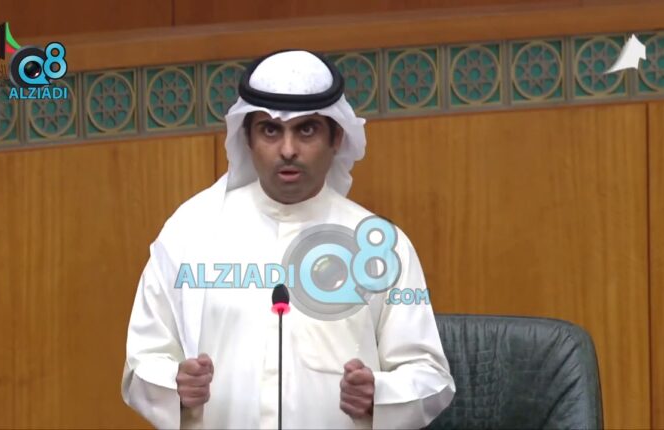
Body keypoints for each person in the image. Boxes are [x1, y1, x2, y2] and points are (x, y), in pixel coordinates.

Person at [121, 49, 455, 429]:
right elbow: (143, 360)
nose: (288, 149)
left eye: (306, 130)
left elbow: (430, 376)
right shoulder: (190, 232)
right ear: (247, 137)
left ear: (336, 137)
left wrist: (379, 394)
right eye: (270, 130)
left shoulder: (380, 246)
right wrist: (175, 386)